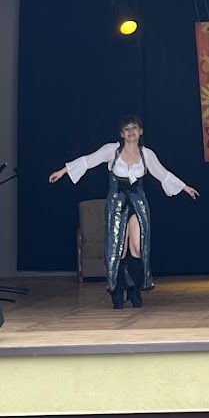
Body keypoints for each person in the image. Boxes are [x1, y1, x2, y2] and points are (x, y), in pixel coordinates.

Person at [49, 114, 198, 309]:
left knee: (137, 248)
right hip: (117, 204)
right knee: (119, 249)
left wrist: (185, 187)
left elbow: (162, 174)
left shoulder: (147, 155)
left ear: (140, 131)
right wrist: (63, 171)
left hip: (138, 204)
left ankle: (134, 289)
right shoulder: (112, 151)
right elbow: (88, 161)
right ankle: (118, 290)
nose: (131, 132)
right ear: (121, 133)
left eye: (134, 128)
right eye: (127, 129)